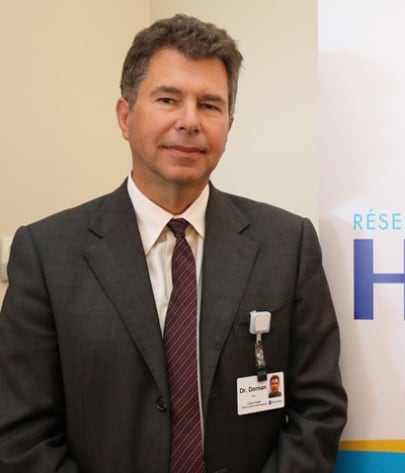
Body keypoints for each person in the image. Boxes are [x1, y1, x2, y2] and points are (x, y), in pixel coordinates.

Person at [0, 14, 347, 473]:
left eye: (209, 104)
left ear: (229, 122)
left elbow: (318, 411)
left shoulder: (289, 244)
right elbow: (21, 434)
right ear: (126, 116)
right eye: (168, 99)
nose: (189, 121)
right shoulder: (46, 254)